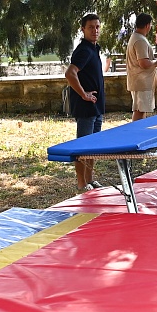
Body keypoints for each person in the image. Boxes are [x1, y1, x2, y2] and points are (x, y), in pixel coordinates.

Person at [65, 13, 106, 191]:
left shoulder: (94, 48)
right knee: (83, 146)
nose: (95, 30)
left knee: (94, 146)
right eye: (90, 27)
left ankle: (89, 179)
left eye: (97, 27)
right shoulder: (83, 50)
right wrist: (84, 94)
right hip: (86, 108)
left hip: (96, 107)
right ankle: (82, 183)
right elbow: (70, 73)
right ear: (83, 29)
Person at [125, 13, 157, 121]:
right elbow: (143, 63)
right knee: (140, 110)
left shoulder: (137, 37)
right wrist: (156, 62)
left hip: (141, 81)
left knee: (141, 110)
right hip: (141, 81)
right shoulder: (140, 40)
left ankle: (139, 131)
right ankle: (137, 133)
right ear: (147, 25)